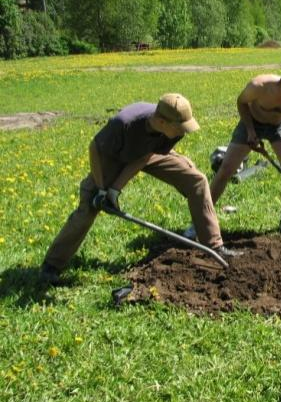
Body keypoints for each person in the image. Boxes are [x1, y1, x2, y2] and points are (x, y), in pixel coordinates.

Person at [40, 93, 239, 286]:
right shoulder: (123, 124)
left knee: (196, 180)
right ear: (162, 122)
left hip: (146, 153)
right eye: (180, 128)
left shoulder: (171, 129)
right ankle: (51, 266)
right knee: (89, 206)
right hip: (113, 156)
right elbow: (95, 150)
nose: (183, 132)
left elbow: (144, 156)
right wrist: (102, 190)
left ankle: (214, 246)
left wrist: (116, 190)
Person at [185, 60, 281, 239]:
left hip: (279, 125)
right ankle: (199, 223)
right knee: (226, 169)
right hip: (251, 121)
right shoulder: (260, 86)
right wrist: (249, 130)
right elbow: (241, 102)